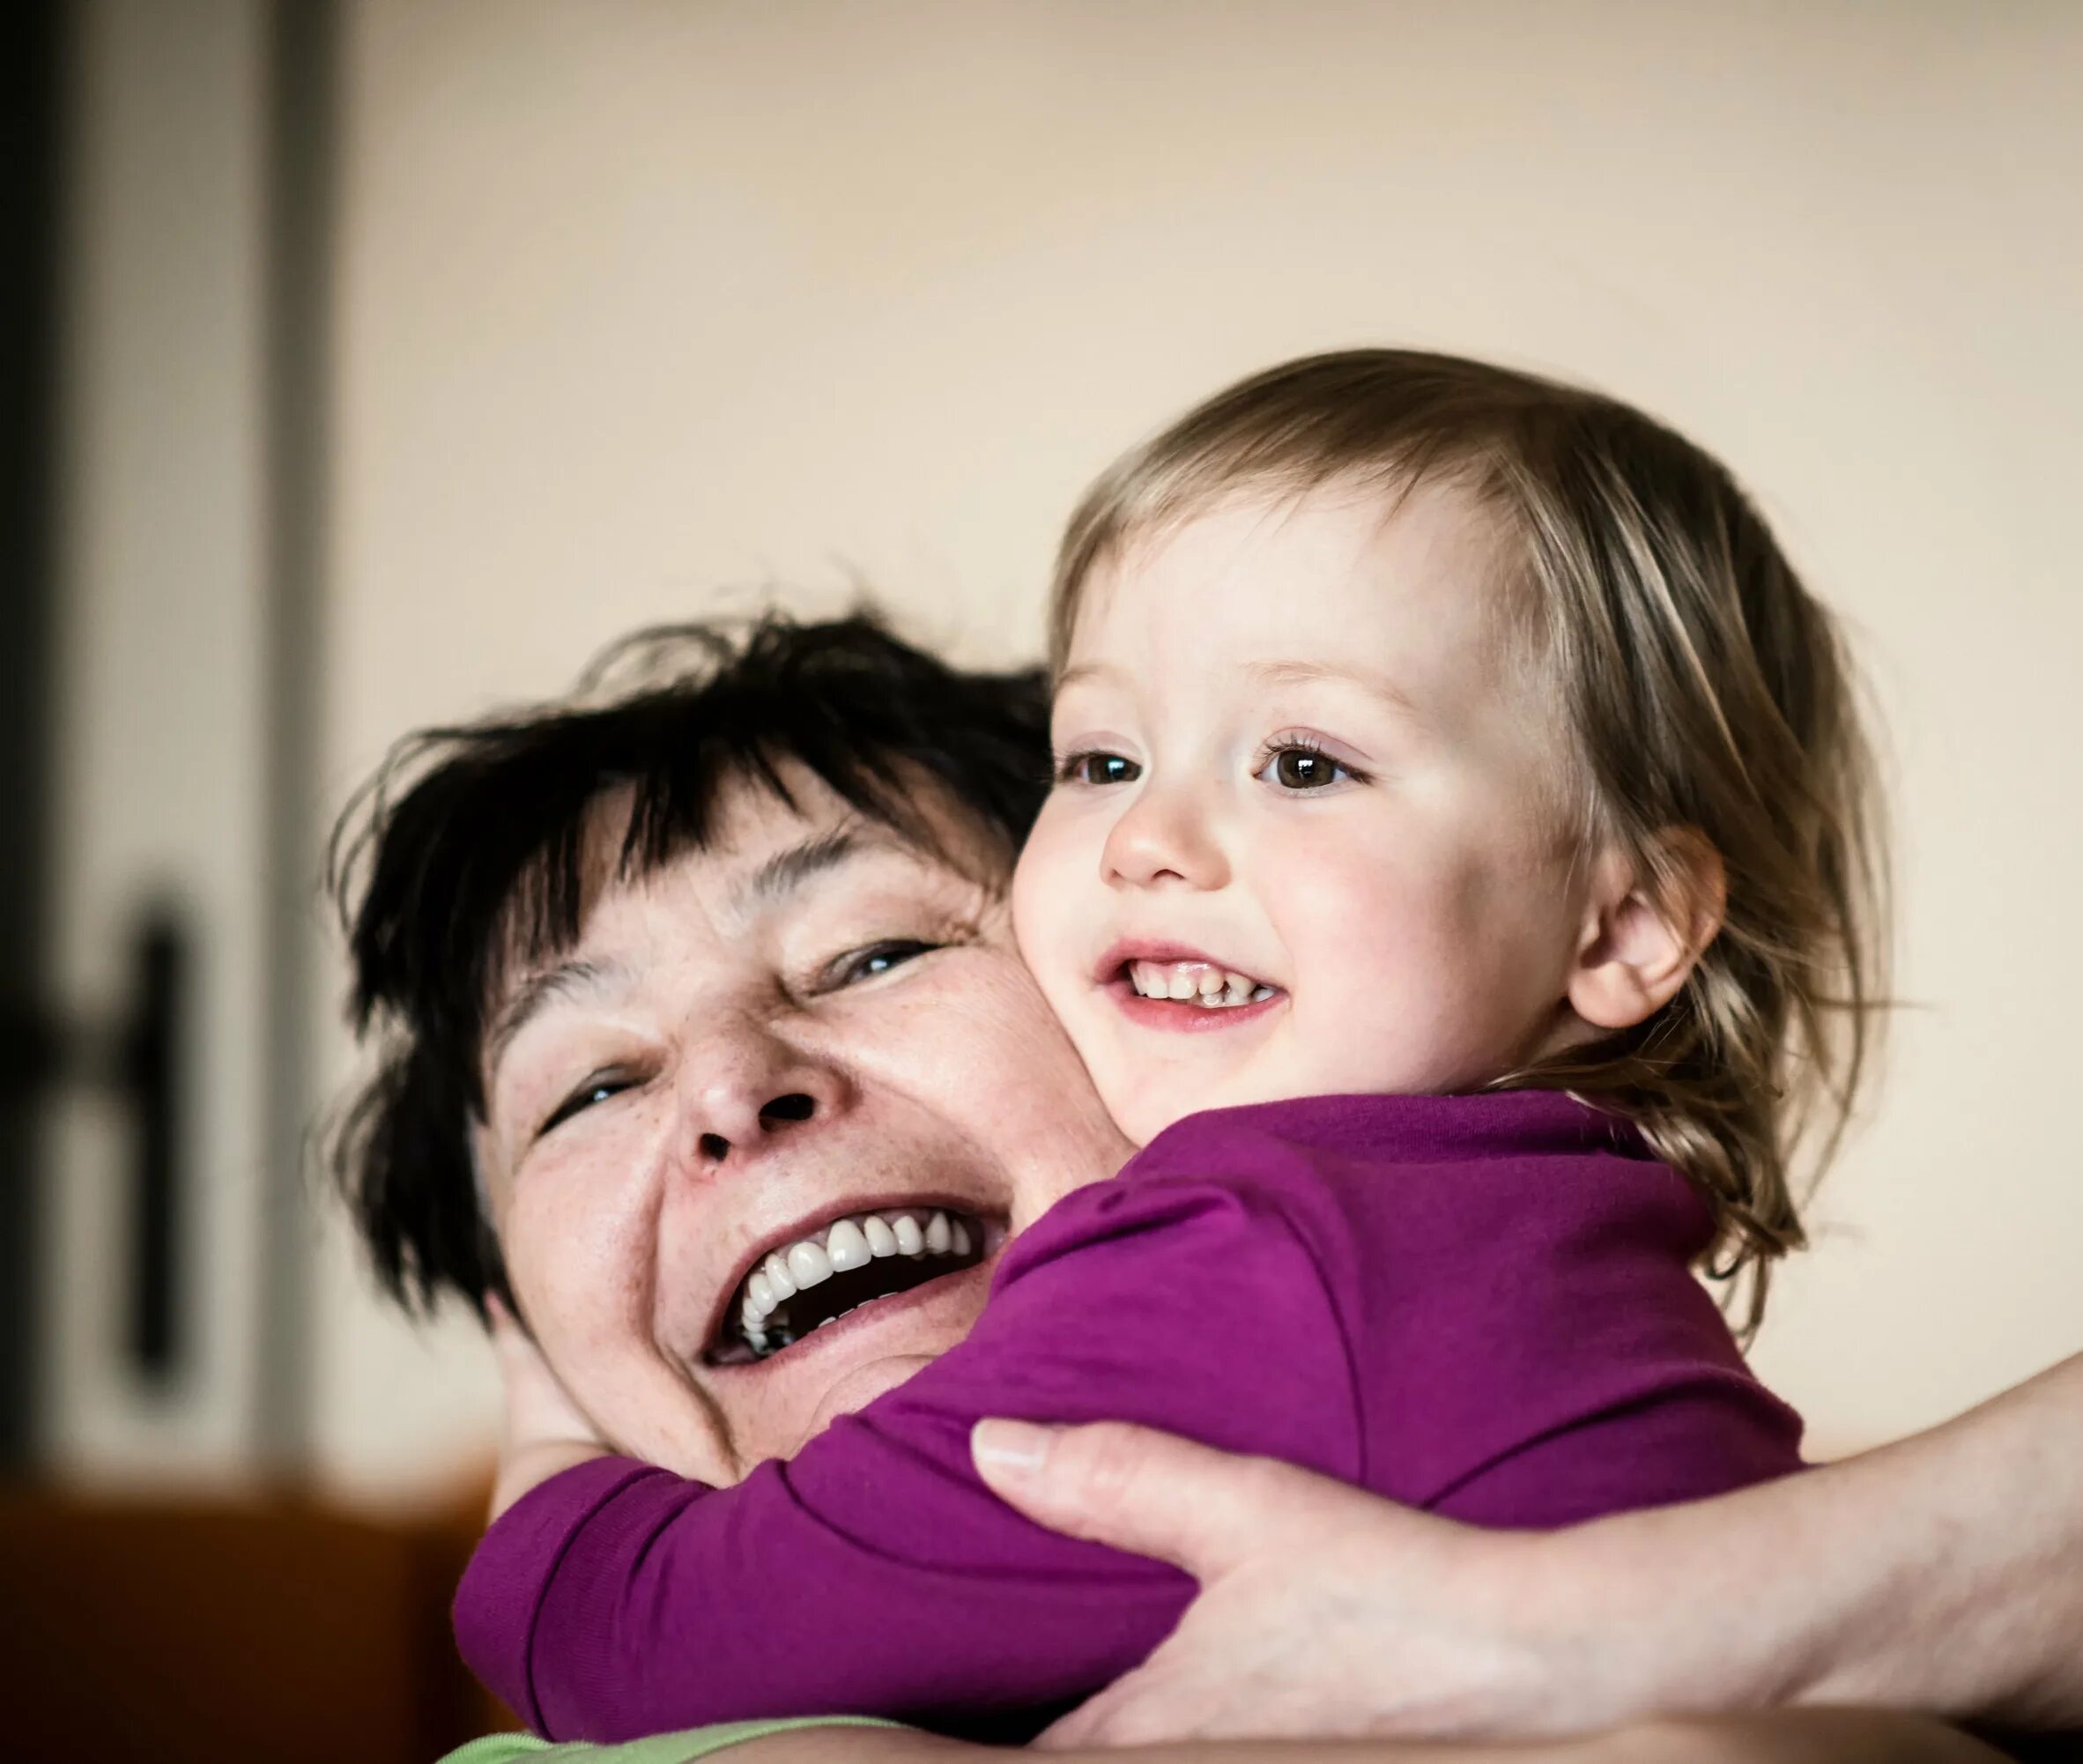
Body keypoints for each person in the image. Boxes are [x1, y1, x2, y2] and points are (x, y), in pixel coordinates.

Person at [334, 637, 2083, 1763]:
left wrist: (1612, 1636)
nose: (734, 1089)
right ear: (529, 1315)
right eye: (589, 1088)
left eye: (870, 950)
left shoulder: (1674, 1556)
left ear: (1181, 994)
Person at [453, 349, 1882, 1738]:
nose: (1147, 839)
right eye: (1104, 760)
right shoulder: (1541, 1220)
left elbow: (668, 1638)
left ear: (1622, 922)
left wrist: (548, 1462)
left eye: (1305, 762)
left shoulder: (1260, 1247)